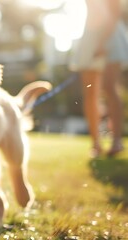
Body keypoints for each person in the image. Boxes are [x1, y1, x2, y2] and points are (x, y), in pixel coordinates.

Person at [69, 0, 128, 158]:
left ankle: (116, 140)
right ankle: (96, 143)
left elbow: (114, 13)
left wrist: (102, 42)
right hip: (90, 34)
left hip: (111, 35)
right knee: (90, 92)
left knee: (109, 87)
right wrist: (93, 42)